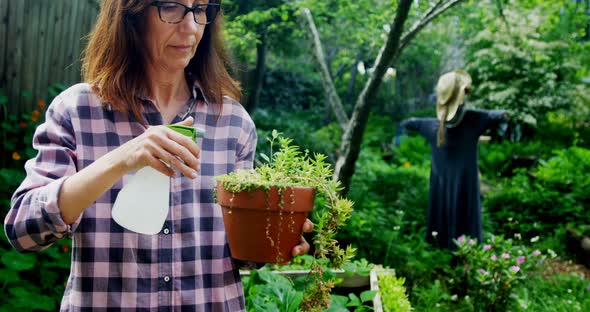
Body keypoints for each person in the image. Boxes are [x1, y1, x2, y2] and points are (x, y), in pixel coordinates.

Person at [4, 1, 312, 310]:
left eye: (201, 9)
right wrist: (122, 159)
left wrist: (274, 237)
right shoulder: (76, 111)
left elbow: (242, 255)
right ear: (131, 15)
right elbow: (24, 231)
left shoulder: (233, 122)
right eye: (171, 6)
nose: (190, 27)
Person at [395, 70, 508, 249]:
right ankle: (463, 262)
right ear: (461, 96)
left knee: (440, 235)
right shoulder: (472, 120)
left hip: (446, 189)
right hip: (464, 189)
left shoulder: (431, 126)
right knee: (467, 233)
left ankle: (444, 259)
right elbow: (500, 115)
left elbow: (408, 122)